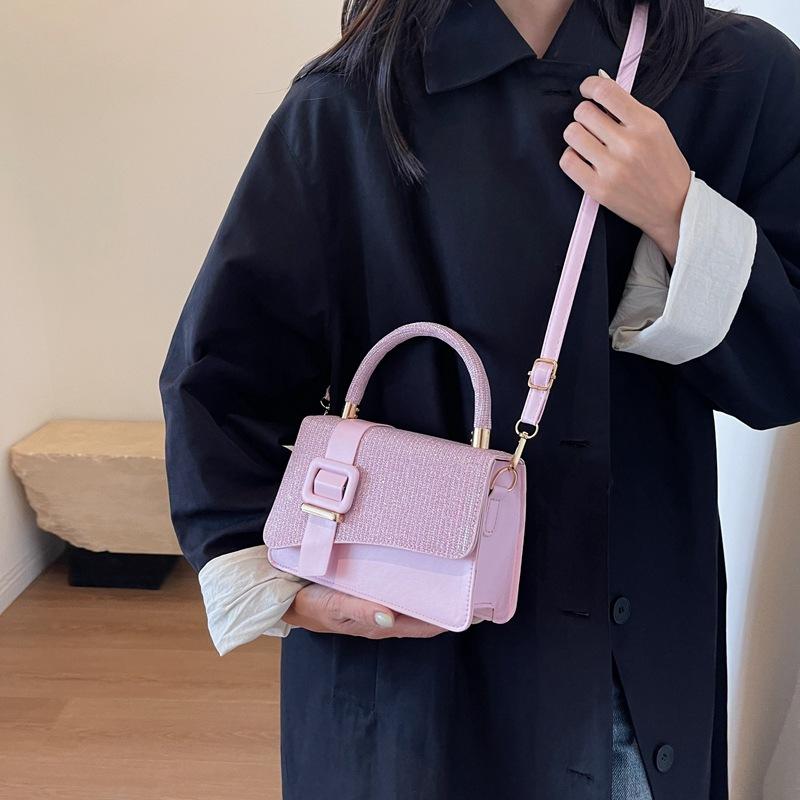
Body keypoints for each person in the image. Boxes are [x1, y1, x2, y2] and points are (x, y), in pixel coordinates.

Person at [158, 1, 800, 797]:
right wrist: (289, 589)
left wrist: (680, 217)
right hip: (410, 680)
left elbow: (783, 373)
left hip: (625, 679)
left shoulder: (733, 76)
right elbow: (221, 376)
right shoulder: (350, 102)